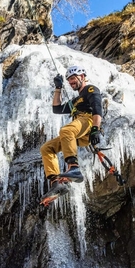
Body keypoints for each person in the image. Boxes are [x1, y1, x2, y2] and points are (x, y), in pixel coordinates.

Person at [40, 65, 103, 206]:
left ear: (82, 77)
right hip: (78, 132)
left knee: (66, 130)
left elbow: (98, 108)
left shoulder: (90, 90)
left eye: (73, 78)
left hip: (87, 121)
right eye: (69, 80)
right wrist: (58, 88)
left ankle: (73, 167)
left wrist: (95, 129)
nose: (71, 82)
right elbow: (56, 108)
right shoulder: (75, 101)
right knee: (46, 148)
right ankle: (56, 183)